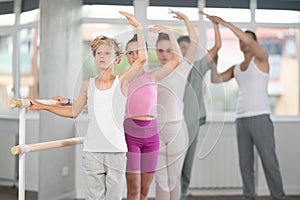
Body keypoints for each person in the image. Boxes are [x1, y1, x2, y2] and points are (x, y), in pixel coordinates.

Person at [27, 11, 147, 199]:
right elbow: (74, 112)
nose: (102, 55)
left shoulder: (122, 81)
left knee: (114, 196)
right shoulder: (87, 84)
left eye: (107, 52)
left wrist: (138, 28)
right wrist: (45, 106)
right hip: (92, 150)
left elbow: (141, 59)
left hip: (116, 150)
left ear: (117, 59)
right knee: (94, 196)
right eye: (98, 52)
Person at [207, 14, 285, 200]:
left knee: (269, 162)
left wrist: (225, 23)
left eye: (244, 40)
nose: (241, 43)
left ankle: (278, 196)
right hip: (241, 119)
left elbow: (247, 39)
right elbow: (215, 79)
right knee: (245, 164)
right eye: (240, 41)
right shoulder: (236, 68)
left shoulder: (262, 59)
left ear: (253, 42)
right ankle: (248, 196)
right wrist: (215, 61)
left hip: (260, 118)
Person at [122, 13, 183, 200]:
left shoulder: (153, 76)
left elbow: (178, 59)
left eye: (137, 52)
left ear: (144, 53)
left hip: (151, 137)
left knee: (144, 191)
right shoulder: (123, 79)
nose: (134, 56)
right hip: (131, 135)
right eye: (130, 53)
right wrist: (139, 28)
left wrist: (169, 33)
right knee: (133, 190)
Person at [154, 10, 198, 200]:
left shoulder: (182, 68)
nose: (164, 54)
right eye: (160, 50)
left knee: (173, 179)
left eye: (168, 49)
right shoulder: (153, 73)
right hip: (155, 130)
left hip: (177, 130)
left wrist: (185, 20)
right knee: (161, 179)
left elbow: (194, 43)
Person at [180, 11, 221, 200]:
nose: (184, 51)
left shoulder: (197, 65)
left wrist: (215, 25)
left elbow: (217, 46)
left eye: (187, 48)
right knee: (172, 164)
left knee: (187, 164)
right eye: (181, 48)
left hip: (192, 121)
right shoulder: (169, 70)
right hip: (173, 124)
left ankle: (183, 193)